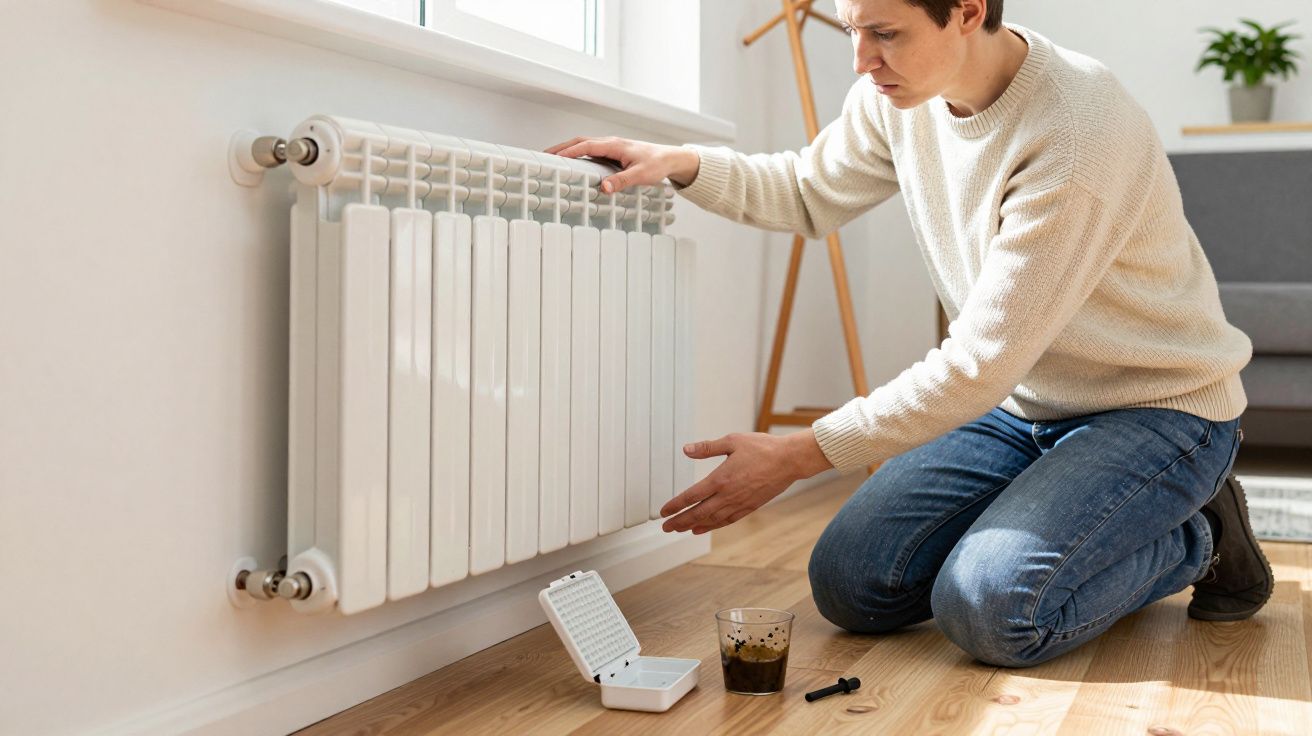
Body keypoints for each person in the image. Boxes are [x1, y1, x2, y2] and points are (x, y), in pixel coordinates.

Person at [544, 0, 1273, 668]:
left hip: (1156, 409)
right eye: (853, 27)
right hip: (1024, 403)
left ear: (966, 11)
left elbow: (977, 363)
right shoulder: (896, 98)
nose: (861, 59)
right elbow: (806, 191)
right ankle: (1059, 510)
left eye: (885, 33)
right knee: (853, 585)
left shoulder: (1077, 130)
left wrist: (799, 454)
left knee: (991, 611)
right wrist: (680, 162)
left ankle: (1199, 538)